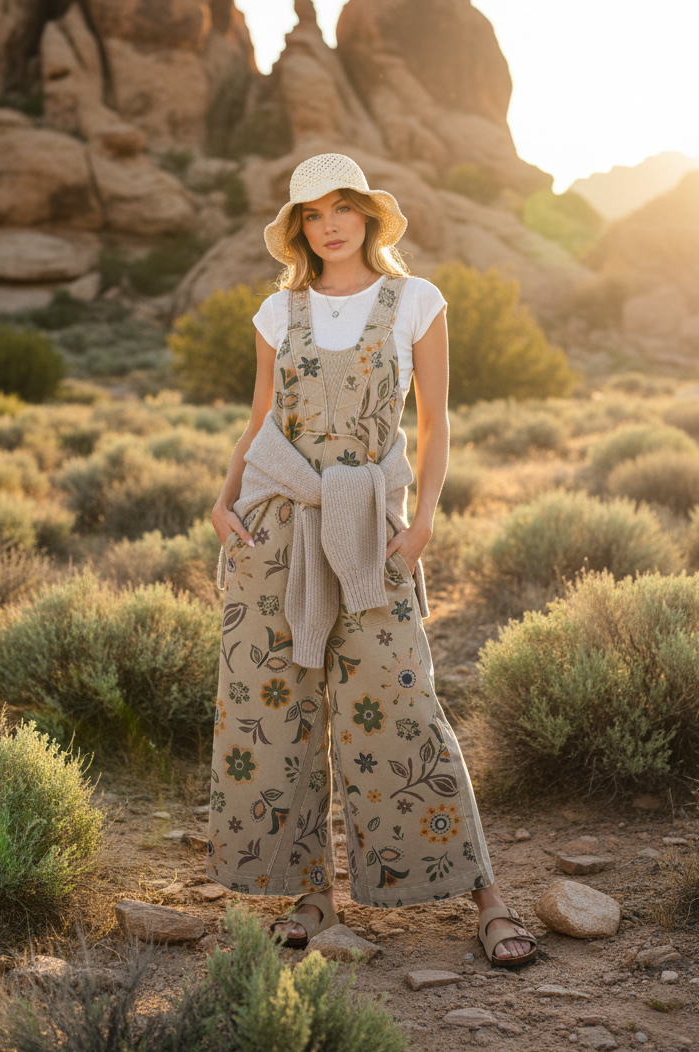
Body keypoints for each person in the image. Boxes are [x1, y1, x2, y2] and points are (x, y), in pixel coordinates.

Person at [208, 153, 536, 967]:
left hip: (367, 528)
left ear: (368, 216)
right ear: (298, 230)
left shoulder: (414, 301)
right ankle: (310, 892)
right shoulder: (275, 311)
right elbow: (258, 421)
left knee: (404, 705)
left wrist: (421, 519)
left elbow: (435, 426)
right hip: (274, 526)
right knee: (279, 708)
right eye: (313, 213)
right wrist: (221, 499)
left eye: (342, 207)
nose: (330, 224)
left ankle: (484, 894)